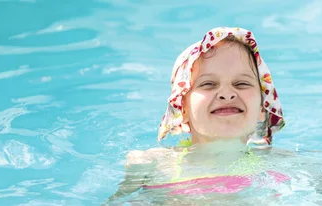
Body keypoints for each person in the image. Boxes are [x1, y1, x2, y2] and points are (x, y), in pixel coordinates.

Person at [105, 27, 287, 204]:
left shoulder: (281, 165)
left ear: (262, 108)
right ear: (182, 109)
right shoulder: (155, 164)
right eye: (208, 84)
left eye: (241, 83)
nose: (227, 94)